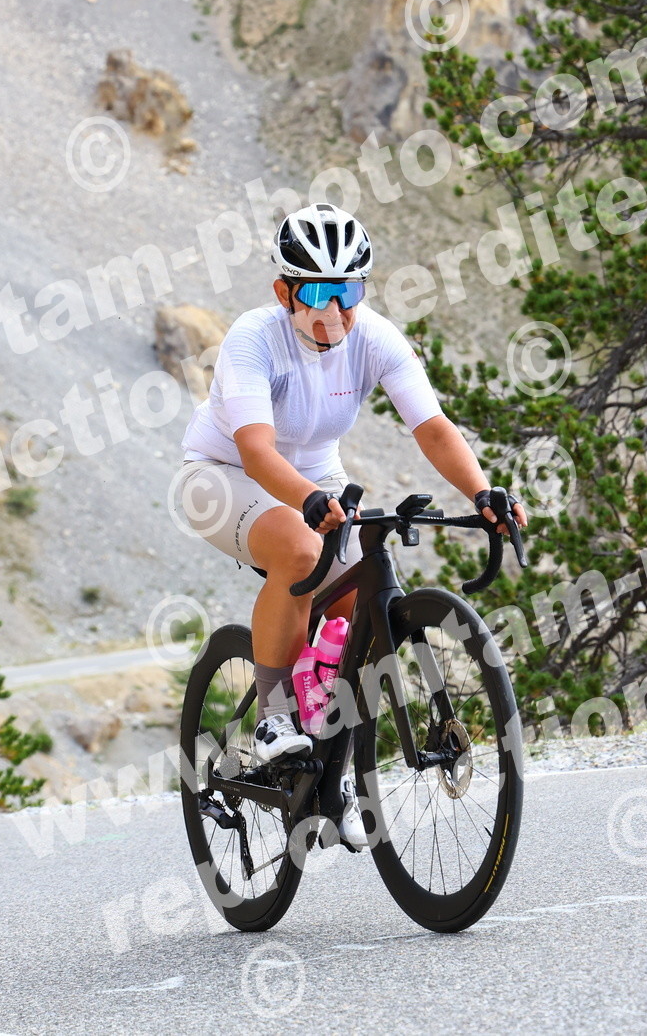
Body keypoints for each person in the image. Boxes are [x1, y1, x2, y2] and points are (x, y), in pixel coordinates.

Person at [173, 202, 526, 849]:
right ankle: (274, 719)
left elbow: (433, 427)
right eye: (316, 292)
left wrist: (482, 493)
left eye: (348, 291)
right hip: (222, 476)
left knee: (358, 607)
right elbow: (256, 450)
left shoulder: (375, 338)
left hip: (316, 480)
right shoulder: (254, 339)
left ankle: (328, 779)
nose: (333, 310)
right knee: (300, 552)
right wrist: (307, 500)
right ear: (284, 292)